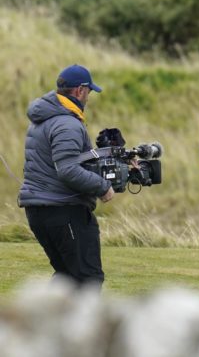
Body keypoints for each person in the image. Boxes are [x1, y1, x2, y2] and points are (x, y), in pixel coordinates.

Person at [18, 64, 114, 288]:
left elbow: (68, 162)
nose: (88, 97)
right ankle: (77, 324)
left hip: (40, 210)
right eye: (89, 91)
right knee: (87, 279)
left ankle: (47, 322)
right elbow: (68, 170)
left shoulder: (42, 120)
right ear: (80, 90)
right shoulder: (67, 123)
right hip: (64, 211)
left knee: (67, 279)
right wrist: (102, 186)